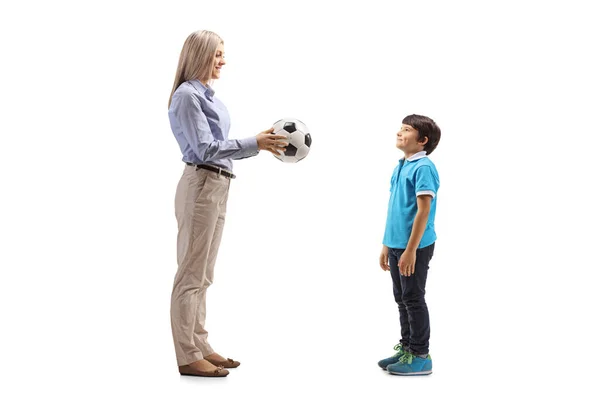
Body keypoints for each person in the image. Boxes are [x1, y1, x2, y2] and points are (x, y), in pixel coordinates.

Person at [167, 30, 288, 377]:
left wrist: (255, 143)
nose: (223, 60)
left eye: (223, 53)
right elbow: (205, 149)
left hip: (218, 184)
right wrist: (256, 143)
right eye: (217, 53)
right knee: (190, 274)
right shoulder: (187, 96)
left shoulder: (207, 96)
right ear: (200, 54)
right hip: (201, 183)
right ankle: (187, 355)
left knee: (203, 274)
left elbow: (216, 144)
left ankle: (200, 344)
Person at [377, 114, 441, 376]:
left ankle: (420, 354)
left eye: (407, 130)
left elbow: (423, 211)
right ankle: (407, 348)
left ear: (423, 140)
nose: (400, 133)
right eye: (400, 128)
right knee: (401, 298)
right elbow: (395, 209)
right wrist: (386, 244)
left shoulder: (423, 167)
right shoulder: (401, 164)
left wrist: (411, 250)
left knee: (413, 298)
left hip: (413, 247)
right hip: (396, 244)